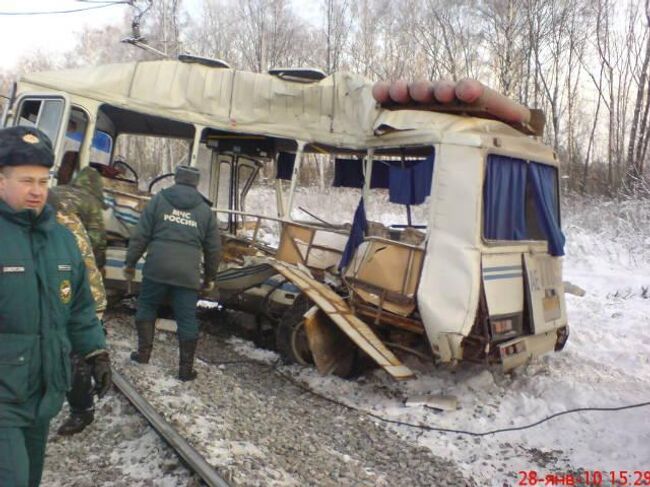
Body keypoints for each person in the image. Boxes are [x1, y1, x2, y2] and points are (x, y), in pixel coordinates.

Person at [0, 126, 111, 487]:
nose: (36, 190)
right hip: (3, 397)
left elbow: (78, 307)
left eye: (42, 180)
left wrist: (95, 351)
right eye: (25, 180)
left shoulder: (61, 240)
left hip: (42, 393)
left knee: (29, 477)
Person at [124, 165, 220, 381]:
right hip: (187, 273)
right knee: (186, 318)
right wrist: (210, 278)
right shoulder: (205, 211)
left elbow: (141, 235)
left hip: (157, 267)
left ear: (176, 178)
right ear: (196, 182)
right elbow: (214, 248)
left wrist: (130, 262)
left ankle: (143, 354)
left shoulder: (159, 200)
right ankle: (185, 370)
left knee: (147, 306)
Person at [48, 167, 108, 436]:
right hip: (74, 282)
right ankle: (81, 409)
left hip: (69, 285)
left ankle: (81, 408)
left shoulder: (60, 206)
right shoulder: (84, 208)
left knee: (71, 350)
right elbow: (95, 245)